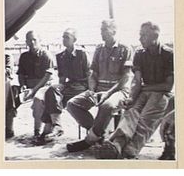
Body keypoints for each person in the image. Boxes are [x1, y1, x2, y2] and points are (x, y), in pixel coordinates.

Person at [96, 21, 174, 159]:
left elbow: (167, 86)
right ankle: (117, 144)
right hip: (144, 91)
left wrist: (145, 88)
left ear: (154, 36)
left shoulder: (168, 54)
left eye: (143, 35)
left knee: (146, 118)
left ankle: (130, 150)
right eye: (140, 35)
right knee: (131, 111)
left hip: (162, 94)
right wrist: (132, 97)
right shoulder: (139, 54)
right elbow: (137, 81)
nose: (140, 38)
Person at [66, 19, 133, 152]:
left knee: (107, 106)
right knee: (72, 104)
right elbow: (93, 72)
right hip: (99, 88)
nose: (101, 33)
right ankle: (98, 136)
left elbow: (126, 77)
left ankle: (88, 140)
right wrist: (91, 90)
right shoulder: (99, 49)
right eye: (101, 30)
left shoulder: (125, 48)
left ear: (114, 31)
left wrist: (108, 93)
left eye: (104, 30)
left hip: (118, 90)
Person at [35, 28, 91, 144]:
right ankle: (57, 126)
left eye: (67, 37)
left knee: (55, 95)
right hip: (69, 85)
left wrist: (90, 91)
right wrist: (59, 91)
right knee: (51, 91)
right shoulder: (60, 56)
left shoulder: (82, 53)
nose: (64, 39)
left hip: (82, 85)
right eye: (63, 37)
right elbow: (62, 78)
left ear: (74, 40)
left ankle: (48, 129)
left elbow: (89, 74)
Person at [17, 31, 54, 138]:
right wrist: (23, 85)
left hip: (44, 85)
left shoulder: (46, 55)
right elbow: (21, 74)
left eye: (34, 39)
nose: (32, 42)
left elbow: (47, 76)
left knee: (38, 100)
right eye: (29, 40)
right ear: (26, 42)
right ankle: (8, 129)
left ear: (40, 41)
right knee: (8, 97)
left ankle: (37, 131)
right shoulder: (24, 56)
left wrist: (34, 90)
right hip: (29, 86)